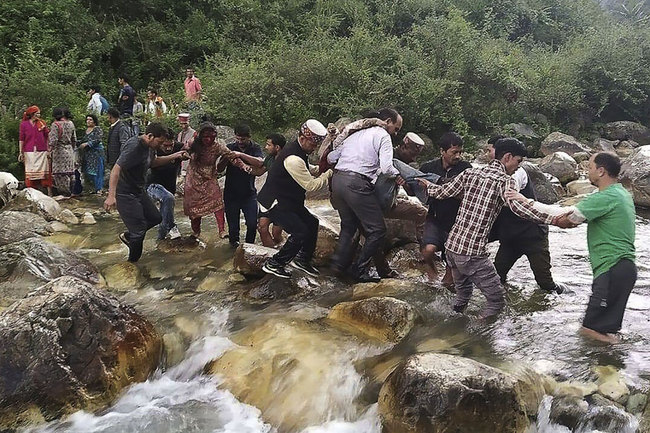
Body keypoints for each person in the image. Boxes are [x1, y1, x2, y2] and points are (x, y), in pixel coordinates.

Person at [417, 138, 563, 319]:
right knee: (497, 301)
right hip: (472, 254)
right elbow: (520, 209)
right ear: (508, 157)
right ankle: (475, 337)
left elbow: (441, 192)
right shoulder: (505, 182)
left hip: (452, 248)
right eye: (518, 161)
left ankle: (451, 323)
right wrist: (554, 219)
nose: (518, 167)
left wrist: (428, 185)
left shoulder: (470, 173)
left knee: (463, 295)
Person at [508, 152, 636, 343]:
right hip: (623, 269)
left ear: (601, 171)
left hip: (612, 269)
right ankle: (611, 366)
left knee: (589, 331)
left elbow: (568, 215)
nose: (587, 171)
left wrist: (526, 201)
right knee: (605, 331)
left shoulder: (606, 197)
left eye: (590, 167)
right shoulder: (622, 193)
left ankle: (626, 356)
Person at [327, 107, 403, 283]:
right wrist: (399, 176)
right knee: (377, 230)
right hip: (356, 183)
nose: (396, 133)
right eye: (396, 128)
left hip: (337, 182)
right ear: (388, 122)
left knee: (349, 225)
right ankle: (359, 270)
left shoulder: (354, 135)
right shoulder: (383, 136)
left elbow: (331, 157)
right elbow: (386, 168)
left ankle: (338, 266)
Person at [486, 136, 565, 294]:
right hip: (510, 237)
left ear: (503, 154)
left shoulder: (517, 174)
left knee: (545, 283)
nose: (488, 154)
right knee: (496, 276)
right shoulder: (490, 173)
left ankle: (564, 299)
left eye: (490, 150)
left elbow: (510, 198)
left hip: (533, 236)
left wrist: (554, 219)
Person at [258, 120, 333, 278]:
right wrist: (329, 173)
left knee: (312, 223)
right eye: (313, 145)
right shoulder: (293, 158)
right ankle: (275, 263)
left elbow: (307, 169)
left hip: (289, 200)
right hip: (275, 202)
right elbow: (311, 186)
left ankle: (303, 260)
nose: (314, 149)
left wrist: (319, 168)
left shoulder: (298, 151)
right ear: (303, 138)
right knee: (300, 232)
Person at [103, 123, 186, 262]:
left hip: (138, 189)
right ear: (149, 136)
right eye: (159, 142)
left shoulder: (151, 147)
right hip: (124, 191)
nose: (160, 145)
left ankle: (129, 236)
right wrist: (111, 196)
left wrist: (175, 156)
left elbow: (153, 162)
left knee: (155, 218)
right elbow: (116, 169)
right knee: (139, 230)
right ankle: (132, 264)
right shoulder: (134, 146)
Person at [373, 131, 430, 278]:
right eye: (412, 153)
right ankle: (381, 269)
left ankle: (424, 251)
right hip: (372, 204)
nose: (414, 158)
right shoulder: (387, 156)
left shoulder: (404, 164)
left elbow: (411, 193)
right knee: (375, 234)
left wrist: (408, 184)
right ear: (404, 147)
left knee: (421, 212)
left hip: (390, 203)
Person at [419, 132, 473, 285]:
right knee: (428, 250)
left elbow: (467, 193)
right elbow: (415, 191)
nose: (458, 156)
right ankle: (431, 269)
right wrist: (405, 183)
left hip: (458, 221)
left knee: (450, 270)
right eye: (454, 152)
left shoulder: (466, 168)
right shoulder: (428, 167)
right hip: (435, 217)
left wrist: (443, 186)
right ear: (442, 151)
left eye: (460, 152)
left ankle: (448, 283)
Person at [184, 122, 233, 239]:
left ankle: (222, 230)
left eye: (211, 137)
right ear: (200, 136)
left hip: (210, 177)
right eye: (205, 137)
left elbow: (230, 155)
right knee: (194, 210)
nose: (208, 139)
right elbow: (184, 150)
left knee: (217, 202)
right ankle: (196, 232)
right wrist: (184, 154)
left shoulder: (217, 146)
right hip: (193, 180)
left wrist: (243, 165)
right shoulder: (193, 143)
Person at [218, 124, 264, 248]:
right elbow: (219, 169)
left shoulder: (255, 148)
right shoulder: (230, 147)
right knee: (233, 227)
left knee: (252, 223)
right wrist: (226, 157)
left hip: (249, 193)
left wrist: (240, 155)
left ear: (249, 137)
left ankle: (249, 247)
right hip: (231, 194)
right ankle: (233, 250)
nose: (240, 142)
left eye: (243, 139)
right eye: (237, 139)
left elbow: (260, 162)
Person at [146, 129, 186, 240]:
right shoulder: (154, 147)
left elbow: (189, 148)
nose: (168, 148)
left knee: (165, 214)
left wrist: (185, 154)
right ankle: (172, 226)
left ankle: (160, 240)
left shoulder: (179, 146)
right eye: (165, 145)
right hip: (153, 185)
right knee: (167, 198)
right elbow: (152, 163)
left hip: (170, 187)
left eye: (171, 145)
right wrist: (175, 156)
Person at [254, 133, 287, 247]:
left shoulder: (289, 161)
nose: (266, 147)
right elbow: (259, 171)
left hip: (281, 200)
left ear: (277, 147)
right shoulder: (270, 158)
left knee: (276, 233)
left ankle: (281, 248)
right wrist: (244, 166)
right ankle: (269, 256)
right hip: (267, 197)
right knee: (262, 228)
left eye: (268, 145)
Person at [18, 106, 52, 195]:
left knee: (45, 171)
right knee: (31, 171)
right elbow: (21, 139)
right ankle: (32, 191)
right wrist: (20, 152)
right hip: (29, 151)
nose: (39, 115)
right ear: (32, 114)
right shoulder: (24, 124)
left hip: (42, 150)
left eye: (39, 113)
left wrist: (48, 150)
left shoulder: (42, 123)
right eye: (37, 113)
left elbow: (47, 137)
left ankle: (49, 192)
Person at [48, 107, 77, 196]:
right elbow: (74, 139)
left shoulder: (55, 125)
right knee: (70, 173)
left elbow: (53, 140)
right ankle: (72, 192)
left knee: (60, 174)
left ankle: (65, 194)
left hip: (59, 151)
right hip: (69, 150)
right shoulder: (71, 124)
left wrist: (49, 151)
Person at [78, 113, 105, 193]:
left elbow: (98, 139)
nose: (88, 121)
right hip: (88, 154)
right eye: (87, 119)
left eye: (90, 119)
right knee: (89, 171)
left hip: (96, 153)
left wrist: (87, 144)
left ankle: (99, 188)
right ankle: (92, 188)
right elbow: (83, 140)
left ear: (94, 121)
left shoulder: (97, 129)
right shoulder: (86, 131)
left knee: (97, 171)